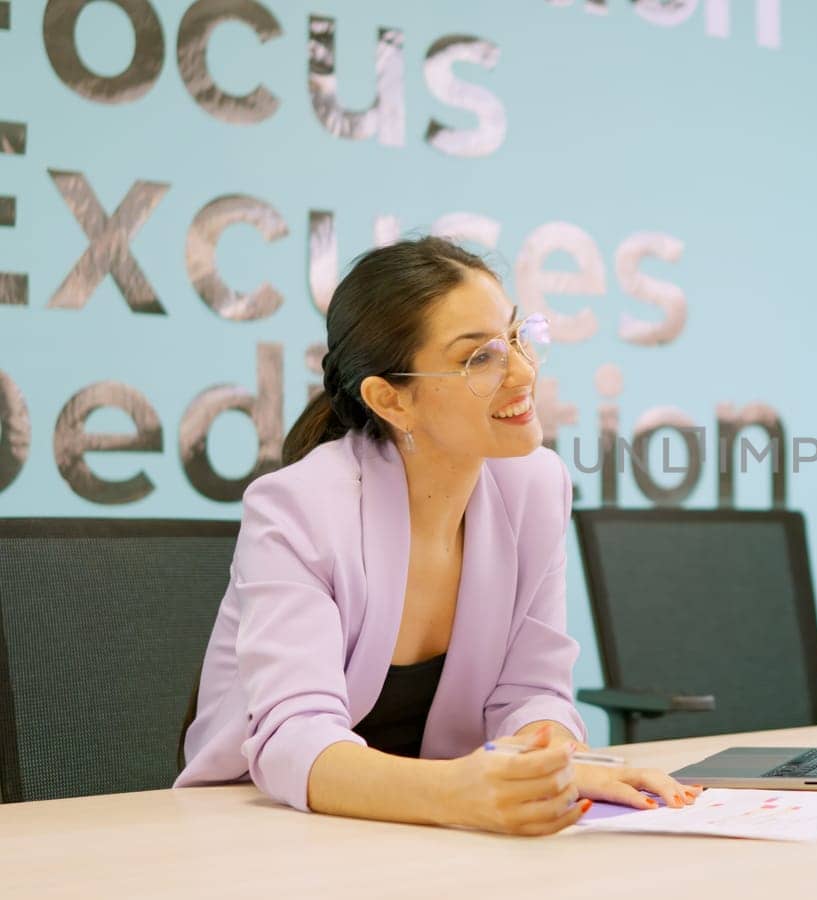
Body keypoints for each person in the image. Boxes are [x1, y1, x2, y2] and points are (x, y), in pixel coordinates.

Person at [177, 237, 698, 835]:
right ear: (390, 399)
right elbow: (294, 738)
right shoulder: (297, 507)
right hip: (265, 829)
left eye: (517, 338)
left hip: (431, 836)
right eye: (480, 359)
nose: (524, 372)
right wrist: (456, 794)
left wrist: (551, 757)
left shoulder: (534, 486)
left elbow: (530, 691)